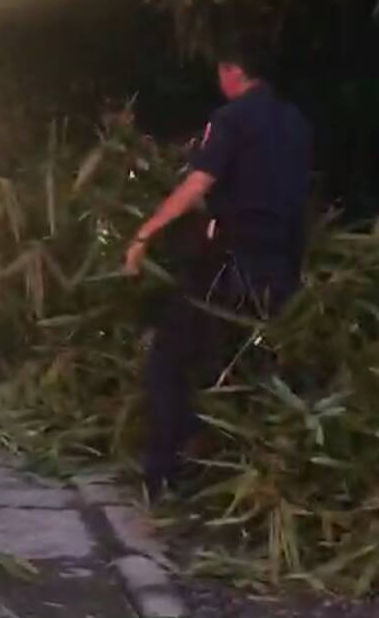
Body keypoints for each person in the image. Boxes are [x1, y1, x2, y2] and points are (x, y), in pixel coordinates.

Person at [124, 49, 313, 497]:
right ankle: (244, 467)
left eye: (221, 71)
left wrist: (144, 234)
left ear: (234, 70)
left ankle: (164, 474)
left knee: (169, 360)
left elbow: (197, 185)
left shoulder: (231, 120)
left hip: (229, 260)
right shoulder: (296, 123)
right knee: (245, 364)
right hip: (282, 265)